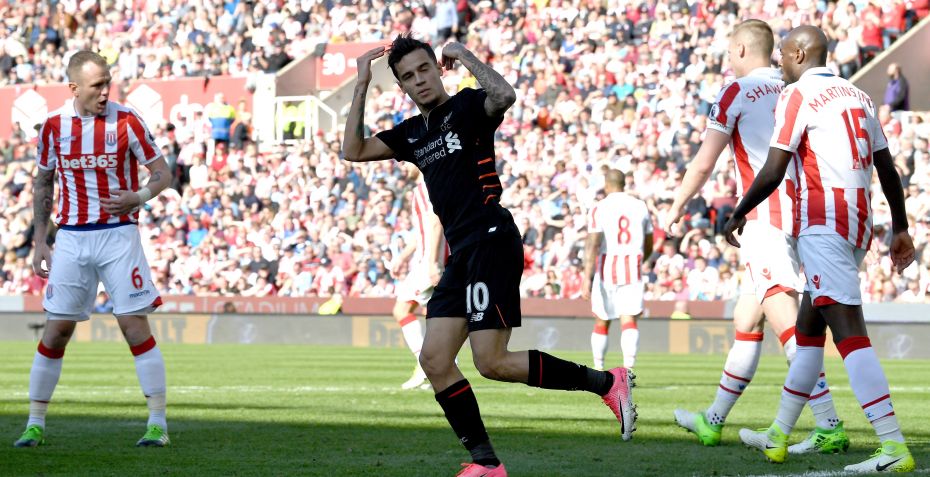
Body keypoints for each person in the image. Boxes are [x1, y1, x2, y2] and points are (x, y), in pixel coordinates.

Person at [342, 36, 636, 477]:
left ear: (437, 69)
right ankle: (487, 464)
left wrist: (462, 55)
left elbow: (504, 95)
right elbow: (353, 150)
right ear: (401, 86)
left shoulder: (466, 107)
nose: (419, 80)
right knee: (434, 359)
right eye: (408, 76)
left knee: (491, 361)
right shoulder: (411, 134)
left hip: (491, 239)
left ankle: (608, 383)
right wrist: (362, 83)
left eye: (424, 69)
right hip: (460, 254)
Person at [725, 26, 916, 472]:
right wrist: (900, 227)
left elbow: (774, 166)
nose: (778, 63)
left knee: (849, 331)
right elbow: (887, 168)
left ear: (798, 54)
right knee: (809, 331)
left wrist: (739, 211)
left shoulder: (797, 95)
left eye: (782, 55)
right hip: (857, 222)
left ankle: (892, 445)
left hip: (822, 223)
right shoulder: (859, 95)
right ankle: (778, 434)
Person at [666, 20, 845, 452]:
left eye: (730, 52)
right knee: (747, 320)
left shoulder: (736, 91)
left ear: (743, 49)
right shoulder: (794, 89)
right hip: (806, 215)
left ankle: (829, 423)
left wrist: (676, 205)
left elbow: (704, 162)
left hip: (766, 219)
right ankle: (713, 420)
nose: (729, 59)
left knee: (787, 323)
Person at [14, 51, 172, 448]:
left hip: (118, 235)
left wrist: (138, 196)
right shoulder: (54, 126)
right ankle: (34, 424)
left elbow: (162, 173)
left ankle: (158, 424)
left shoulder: (128, 120)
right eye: (97, 86)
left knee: (133, 326)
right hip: (71, 237)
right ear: (74, 88)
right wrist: (40, 241)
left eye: (107, 84)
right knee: (57, 331)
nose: (105, 92)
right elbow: (43, 183)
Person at [581, 169, 652, 371]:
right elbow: (649, 242)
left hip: (607, 268)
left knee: (602, 320)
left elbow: (593, 244)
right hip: (632, 268)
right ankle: (629, 371)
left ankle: (599, 369)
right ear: (624, 184)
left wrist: (587, 277)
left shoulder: (599, 207)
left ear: (606, 184)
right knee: (629, 320)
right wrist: (642, 259)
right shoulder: (640, 206)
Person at [391, 165, 446, 390]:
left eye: (405, 161)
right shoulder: (429, 186)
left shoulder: (426, 187)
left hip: (430, 261)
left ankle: (427, 364)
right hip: (431, 259)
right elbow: (423, 231)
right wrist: (402, 257)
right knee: (437, 316)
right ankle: (442, 367)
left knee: (403, 310)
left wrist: (432, 262)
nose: (402, 166)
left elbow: (436, 222)